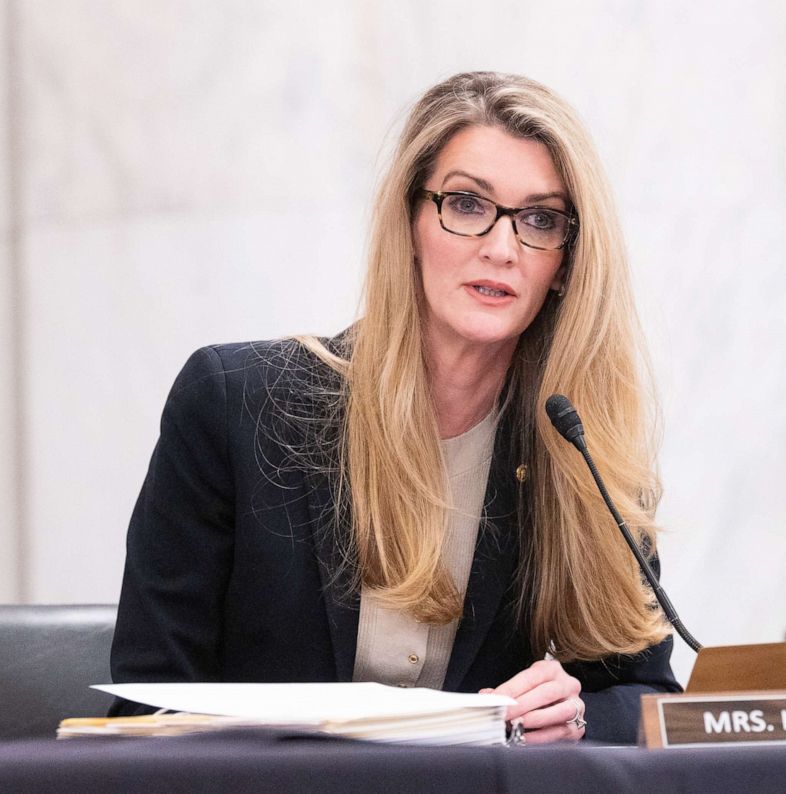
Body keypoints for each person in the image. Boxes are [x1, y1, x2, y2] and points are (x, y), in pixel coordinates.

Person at [110, 71, 681, 744]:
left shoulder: (579, 452)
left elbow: (647, 700)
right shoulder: (234, 405)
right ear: (409, 222)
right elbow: (146, 709)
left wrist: (573, 719)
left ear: (566, 262)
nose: (502, 247)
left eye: (539, 220)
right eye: (467, 205)